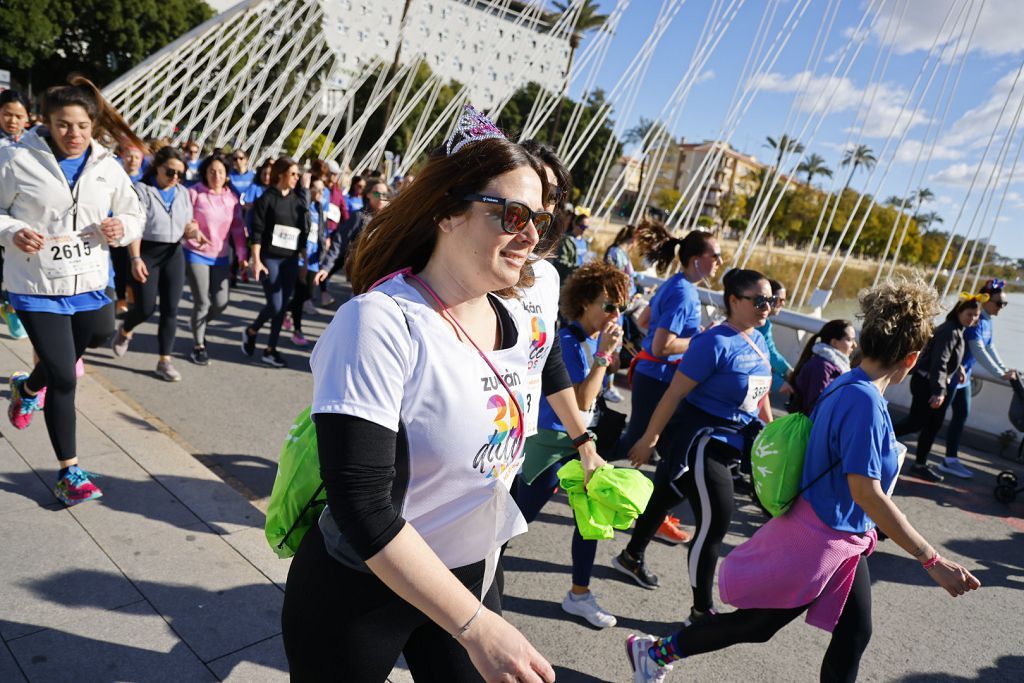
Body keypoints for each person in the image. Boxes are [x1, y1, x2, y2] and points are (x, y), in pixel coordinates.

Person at [281, 109, 557, 682]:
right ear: (447, 213)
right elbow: (362, 504)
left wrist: (581, 446)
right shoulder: (379, 323)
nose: (531, 235)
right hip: (363, 584)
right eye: (513, 214)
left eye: (543, 220)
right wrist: (477, 628)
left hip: (472, 573)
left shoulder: (518, 321)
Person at [625, 278, 981, 683]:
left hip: (841, 538)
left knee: (852, 633)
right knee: (756, 626)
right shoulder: (863, 401)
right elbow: (866, 492)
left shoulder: (848, 384)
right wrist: (931, 560)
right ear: (912, 358)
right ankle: (655, 652)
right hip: (821, 540)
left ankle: (655, 651)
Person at [0, 76, 144, 505]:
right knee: (63, 375)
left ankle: (26, 389)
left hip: (89, 282)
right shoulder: (16, 159)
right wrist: (13, 230)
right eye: (64, 125)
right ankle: (69, 473)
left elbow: (134, 212)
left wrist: (123, 228)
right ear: (46, 122)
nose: (74, 135)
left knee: (100, 334)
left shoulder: (106, 165)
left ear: (93, 125)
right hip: (35, 284)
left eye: (82, 126)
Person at [623, 269, 774, 621]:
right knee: (715, 521)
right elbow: (674, 393)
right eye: (760, 300)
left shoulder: (759, 338)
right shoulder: (713, 343)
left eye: (772, 301)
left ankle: (630, 556)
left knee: (665, 495)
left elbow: (760, 393)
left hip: (736, 441)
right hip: (703, 441)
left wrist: (772, 431)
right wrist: (649, 439)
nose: (768, 307)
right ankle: (701, 611)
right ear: (734, 301)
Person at [516, 261, 628, 628]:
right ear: (584, 302)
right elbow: (581, 401)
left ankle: (579, 594)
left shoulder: (593, 340)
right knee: (514, 520)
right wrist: (603, 358)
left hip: (580, 443)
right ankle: (466, 579)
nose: (614, 314)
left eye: (619, 308)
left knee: (590, 519)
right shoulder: (567, 340)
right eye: (608, 305)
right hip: (552, 442)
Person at [613, 224, 723, 565]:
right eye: (714, 256)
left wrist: (689, 334)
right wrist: (703, 338)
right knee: (643, 446)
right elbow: (662, 346)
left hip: (652, 377)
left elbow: (646, 319)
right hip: (659, 378)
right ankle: (569, 460)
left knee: (659, 450)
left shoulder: (675, 284)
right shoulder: (684, 293)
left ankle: (652, 519)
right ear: (695, 260)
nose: (719, 262)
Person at [111, 146, 206, 381]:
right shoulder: (142, 190)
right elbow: (135, 228)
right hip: (147, 253)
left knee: (170, 310)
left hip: (173, 253)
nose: (175, 178)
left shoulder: (183, 192)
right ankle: (125, 330)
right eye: (170, 172)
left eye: (179, 174)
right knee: (145, 308)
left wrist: (194, 232)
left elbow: (187, 224)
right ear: (157, 168)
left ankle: (165, 361)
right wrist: (135, 259)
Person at [894, 296, 982, 483]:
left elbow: (947, 356)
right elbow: (939, 361)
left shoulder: (957, 329)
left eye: (976, 316)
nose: (973, 319)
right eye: (969, 314)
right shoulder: (950, 331)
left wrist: (959, 367)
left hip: (931, 383)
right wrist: (939, 391)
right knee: (916, 422)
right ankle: (876, 440)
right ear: (959, 312)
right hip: (927, 384)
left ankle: (920, 465)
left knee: (931, 425)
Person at [943, 279, 1018, 479]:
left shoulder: (987, 322)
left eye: (1005, 304)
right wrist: (999, 374)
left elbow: (990, 347)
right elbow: (979, 352)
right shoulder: (976, 322)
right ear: (986, 300)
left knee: (961, 416)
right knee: (929, 418)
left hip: (964, 377)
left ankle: (950, 460)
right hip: (952, 375)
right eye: (999, 303)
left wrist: (1005, 368)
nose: (1001, 308)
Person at [242, 157, 309, 368]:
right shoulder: (267, 198)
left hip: (290, 259)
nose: (296, 178)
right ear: (281, 174)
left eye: (298, 174)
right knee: (276, 304)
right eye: (293, 174)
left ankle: (270, 349)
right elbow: (258, 232)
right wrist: (256, 260)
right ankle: (252, 330)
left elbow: (303, 234)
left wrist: (304, 262)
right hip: (270, 258)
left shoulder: (298, 202)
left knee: (281, 309)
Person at [184, 153, 249, 365]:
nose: (216, 175)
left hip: (221, 256)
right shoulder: (194, 193)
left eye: (221, 171)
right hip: (196, 253)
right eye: (212, 171)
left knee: (221, 302)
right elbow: (185, 220)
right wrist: (192, 230)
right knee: (202, 302)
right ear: (204, 172)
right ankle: (198, 345)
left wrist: (242, 257)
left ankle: (196, 323)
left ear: (227, 175)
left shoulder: (232, 199)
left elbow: (238, 230)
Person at [313, 178, 391, 290]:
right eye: (376, 193)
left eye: (385, 194)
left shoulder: (392, 219)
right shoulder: (359, 216)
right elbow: (340, 241)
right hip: (362, 274)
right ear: (368, 195)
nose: (381, 197)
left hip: (385, 275)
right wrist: (326, 267)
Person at [0, 90, 32, 340]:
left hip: (19, 218)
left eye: (18, 115)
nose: (12, 120)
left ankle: (11, 307)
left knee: (16, 271)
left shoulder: (34, 144)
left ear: (27, 118)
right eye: (7, 114)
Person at [286, 178, 327, 346]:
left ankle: (283, 310)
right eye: (315, 189)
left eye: (322, 190)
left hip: (314, 259)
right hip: (301, 258)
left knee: (308, 294)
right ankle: (297, 330)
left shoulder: (319, 208)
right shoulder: (303, 207)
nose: (320, 193)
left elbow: (321, 233)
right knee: (301, 293)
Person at [787, 319, 857, 415]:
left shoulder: (831, 365)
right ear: (834, 342)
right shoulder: (822, 367)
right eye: (849, 340)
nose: (855, 345)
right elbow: (817, 407)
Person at [756, 278, 794, 393]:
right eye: (778, 300)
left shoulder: (763, 322)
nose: (783, 304)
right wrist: (785, 374)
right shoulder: (762, 324)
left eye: (784, 300)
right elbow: (769, 353)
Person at [552, 213, 588, 282]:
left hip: (579, 279)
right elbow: (559, 262)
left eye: (586, 227)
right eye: (582, 227)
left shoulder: (585, 242)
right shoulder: (566, 240)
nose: (584, 230)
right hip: (567, 280)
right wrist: (576, 268)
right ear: (575, 225)